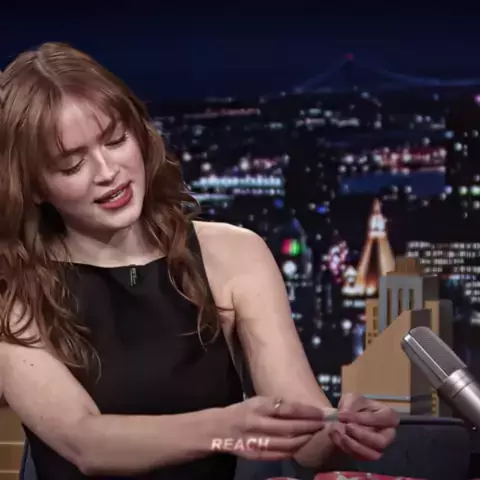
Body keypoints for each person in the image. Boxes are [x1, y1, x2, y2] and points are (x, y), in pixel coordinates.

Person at [0, 42, 399, 479]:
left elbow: (305, 440)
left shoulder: (235, 255)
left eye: (115, 140)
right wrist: (223, 427)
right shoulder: (13, 288)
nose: (107, 171)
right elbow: (84, 443)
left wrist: (340, 431)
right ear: (34, 188)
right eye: (72, 165)